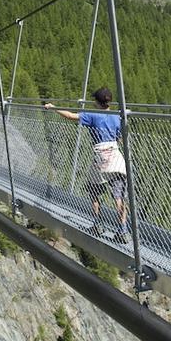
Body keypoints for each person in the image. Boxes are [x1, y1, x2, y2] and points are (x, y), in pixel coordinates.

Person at [44, 88, 129, 243]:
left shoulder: (92, 115)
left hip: (101, 160)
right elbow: (120, 139)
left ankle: (98, 224)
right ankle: (123, 230)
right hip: (116, 159)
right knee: (119, 198)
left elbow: (71, 116)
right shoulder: (117, 117)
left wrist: (53, 107)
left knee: (93, 190)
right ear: (109, 102)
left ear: (96, 101)